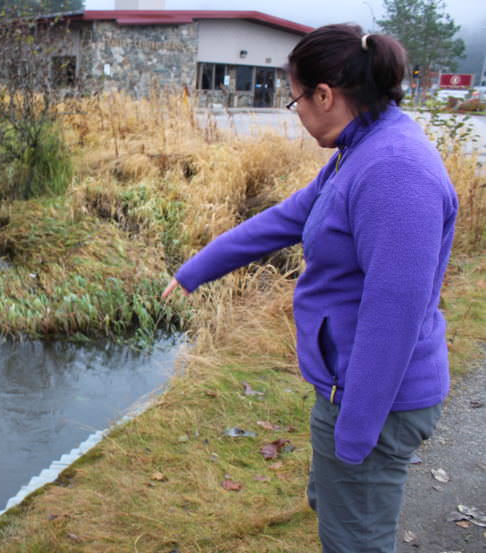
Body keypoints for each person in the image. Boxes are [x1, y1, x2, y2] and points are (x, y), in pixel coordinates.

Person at [162, 24, 458, 553]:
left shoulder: (394, 171)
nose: (294, 111)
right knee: (338, 513)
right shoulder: (358, 150)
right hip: (348, 389)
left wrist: (355, 432)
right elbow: (286, 218)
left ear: (325, 94)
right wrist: (196, 269)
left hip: (376, 402)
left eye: (296, 97)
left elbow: (394, 317)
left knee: (356, 540)